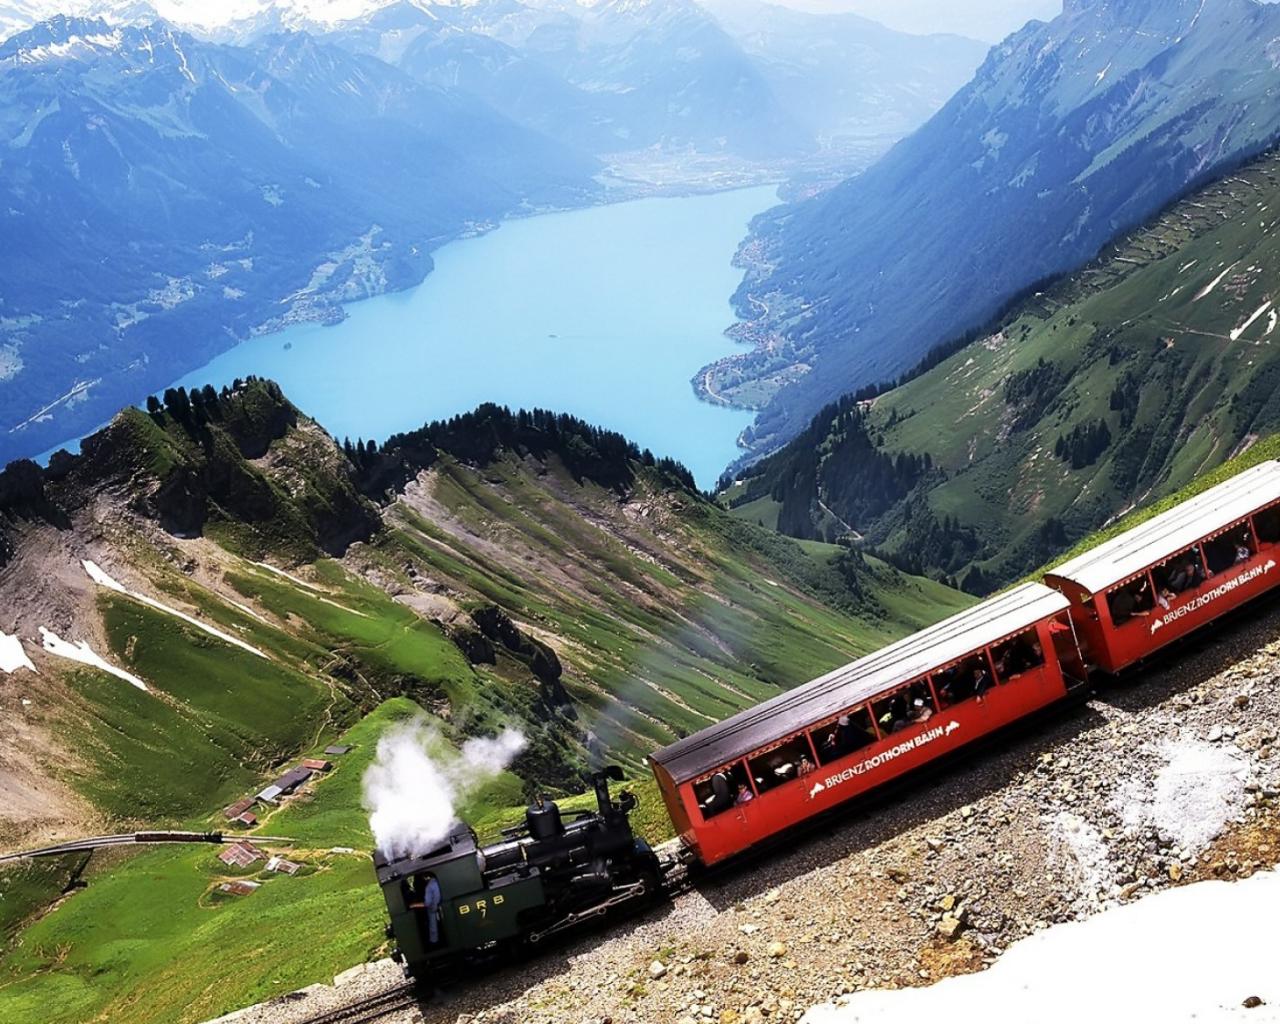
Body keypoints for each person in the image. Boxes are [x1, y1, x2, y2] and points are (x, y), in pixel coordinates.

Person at [408, 872, 443, 945]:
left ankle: (434, 942)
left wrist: (413, 905)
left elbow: (427, 903)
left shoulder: (429, 887)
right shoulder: (436, 881)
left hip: (433, 908)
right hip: (439, 905)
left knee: (432, 926)